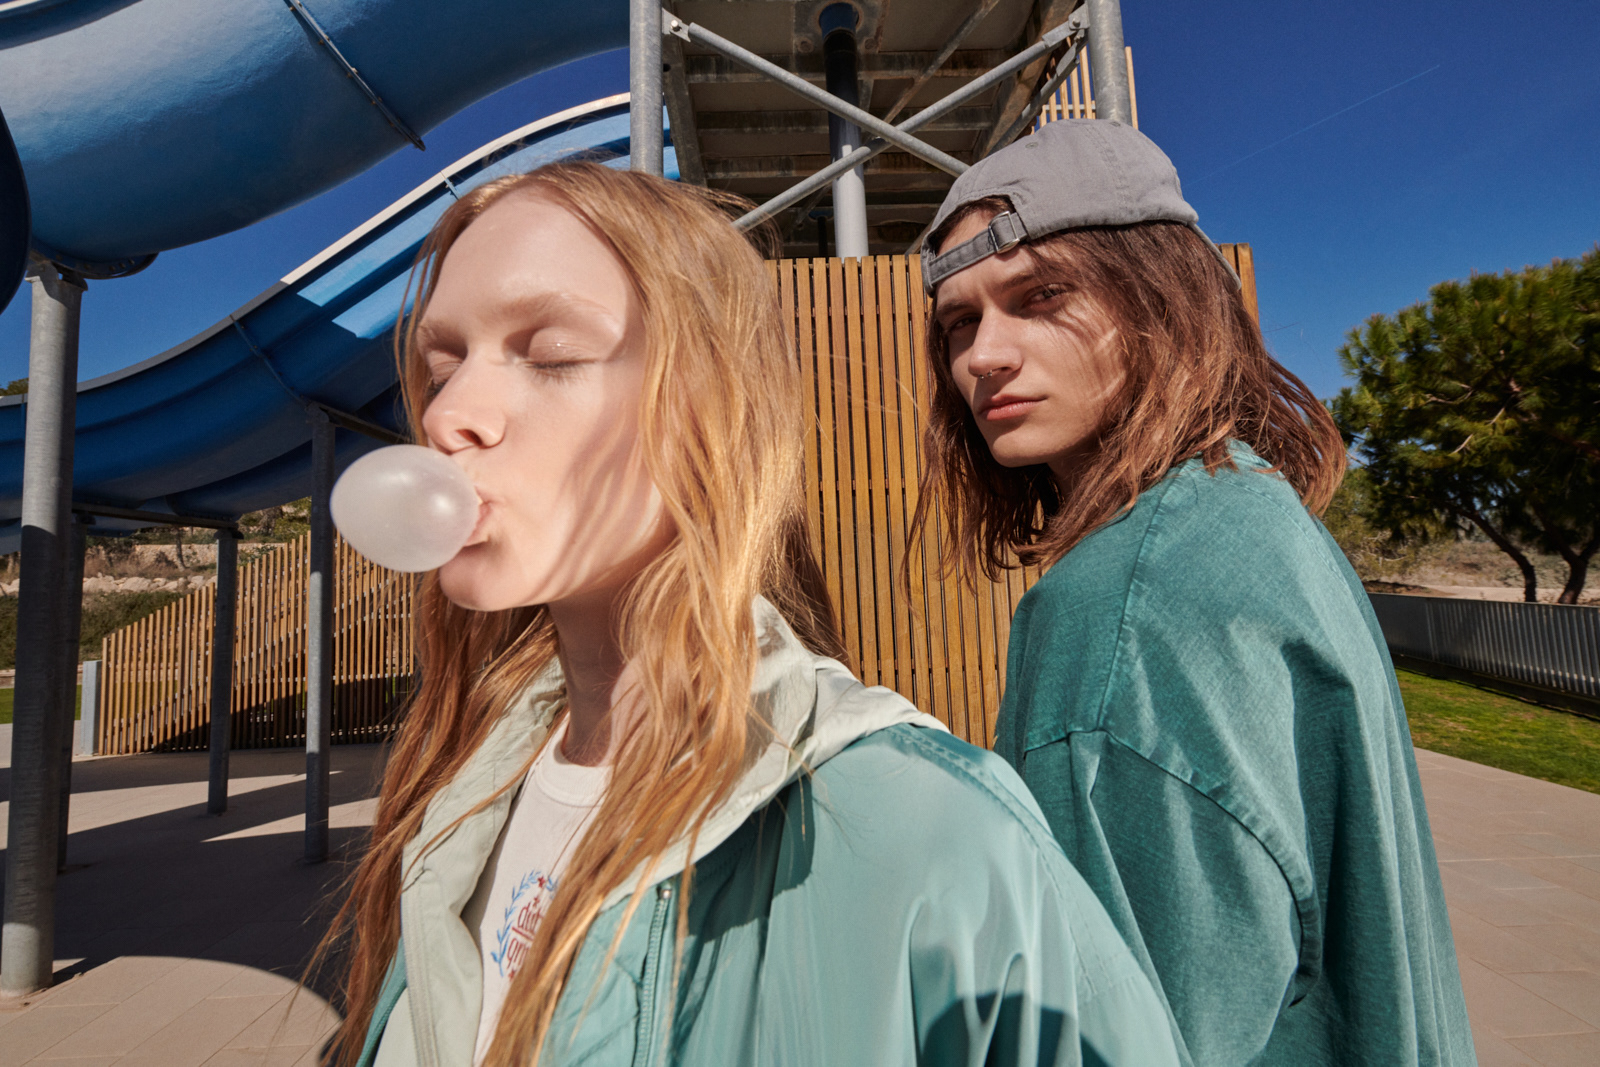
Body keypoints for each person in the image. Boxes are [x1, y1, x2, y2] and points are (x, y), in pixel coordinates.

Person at [317, 161, 1180, 1067]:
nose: (450, 413)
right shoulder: (458, 795)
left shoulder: (930, 828)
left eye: (553, 354)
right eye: (441, 366)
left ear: (710, 405)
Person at [910, 119, 1476, 1067]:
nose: (984, 356)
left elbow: (1119, 1035)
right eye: (959, 322)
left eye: (1041, 296)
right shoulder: (1247, 514)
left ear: (1159, 301)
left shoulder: (1120, 605)